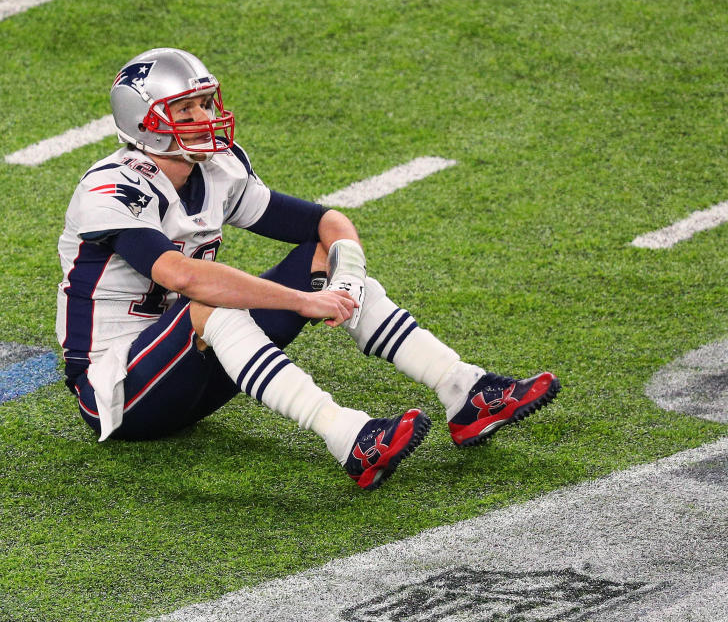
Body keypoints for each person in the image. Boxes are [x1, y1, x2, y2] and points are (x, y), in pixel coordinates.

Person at [56, 47, 560, 490]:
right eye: (184, 109)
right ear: (143, 122)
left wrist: (345, 278)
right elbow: (183, 277)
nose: (204, 116)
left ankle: (463, 389)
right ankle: (348, 438)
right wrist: (301, 301)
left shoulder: (218, 169)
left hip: (194, 373)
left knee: (321, 256)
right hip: (117, 389)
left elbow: (328, 222)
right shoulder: (111, 187)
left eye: (204, 103)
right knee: (207, 303)